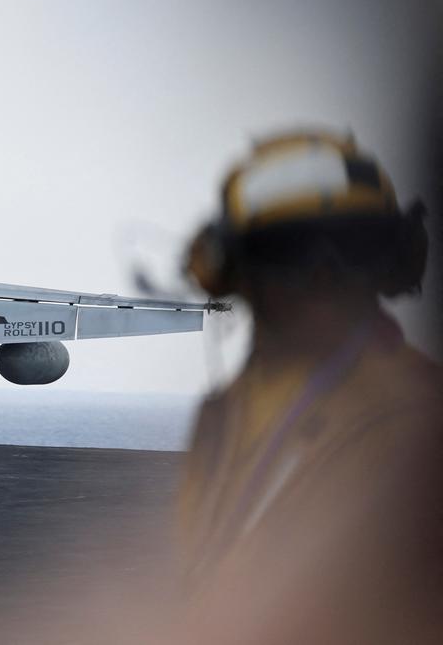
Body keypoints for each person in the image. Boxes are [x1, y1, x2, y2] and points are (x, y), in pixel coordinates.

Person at [174, 130, 441, 644]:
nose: (322, 277)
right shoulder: (224, 417)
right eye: (288, 251)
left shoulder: (421, 419)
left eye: (349, 250)